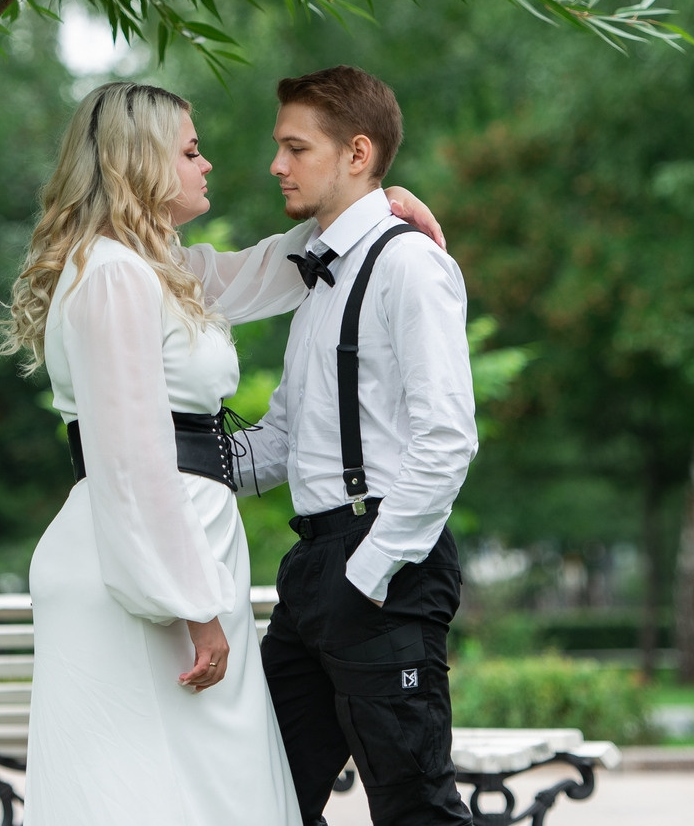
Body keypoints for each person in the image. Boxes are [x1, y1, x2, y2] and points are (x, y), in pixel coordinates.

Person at [1, 80, 444, 826]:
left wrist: (376, 207)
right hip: (145, 573)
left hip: (178, 558)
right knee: (158, 796)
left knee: (207, 792)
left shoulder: (159, 269)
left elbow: (274, 267)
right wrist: (192, 602)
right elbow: (132, 461)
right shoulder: (113, 276)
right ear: (139, 162)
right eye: (191, 150)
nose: (209, 164)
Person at [241, 66, 479, 826]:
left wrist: (367, 572)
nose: (277, 164)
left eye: (295, 147)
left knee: (416, 808)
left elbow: (448, 440)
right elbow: (283, 435)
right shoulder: (316, 275)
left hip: (381, 565)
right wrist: (165, 456)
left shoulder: (409, 264)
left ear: (356, 153)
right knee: (256, 794)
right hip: (312, 568)